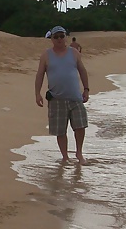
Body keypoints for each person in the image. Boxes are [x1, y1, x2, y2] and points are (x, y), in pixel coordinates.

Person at [35, 26, 90, 164]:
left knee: (80, 126)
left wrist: (86, 89)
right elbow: (40, 75)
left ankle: (79, 153)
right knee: (60, 130)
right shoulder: (46, 55)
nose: (59, 39)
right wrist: (37, 93)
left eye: (61, 36)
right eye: (56, 37)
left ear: (65, 36)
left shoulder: (74, 53)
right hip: (56, 98)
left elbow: (82, 71)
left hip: (75, 98)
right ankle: (65, 156)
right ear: (52, 39)